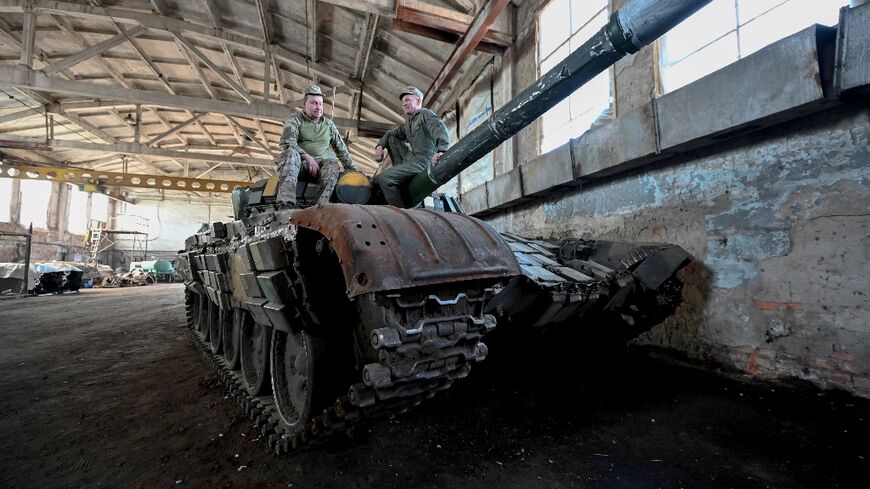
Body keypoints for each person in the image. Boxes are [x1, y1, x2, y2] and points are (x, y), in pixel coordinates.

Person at [276, 85, 356, 206]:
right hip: (299, 165)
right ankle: (286, 202)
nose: (318, 107)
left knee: (332, 163)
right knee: (291, 153)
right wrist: (307, 157)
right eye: (314, 103)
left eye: (320, 104)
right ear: (304, 104)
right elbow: (287, 142)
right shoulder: (295, 119)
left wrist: (353, 171)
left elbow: (341, 150)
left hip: (320, 168)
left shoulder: (328, 125)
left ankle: (321, 205)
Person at [374, 86, 450, 208]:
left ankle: (401, 212)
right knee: (391, 138)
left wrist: (441, 151)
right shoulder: (409, 122)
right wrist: (379, 146)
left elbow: (440, 129)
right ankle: (399, 176)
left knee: (385, 179)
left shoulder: (426, 114)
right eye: (403, 101)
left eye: (408, 100)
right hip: (410, 160)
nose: (404, 103)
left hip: (422, 162)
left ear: (419, 101)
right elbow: (390, 134)